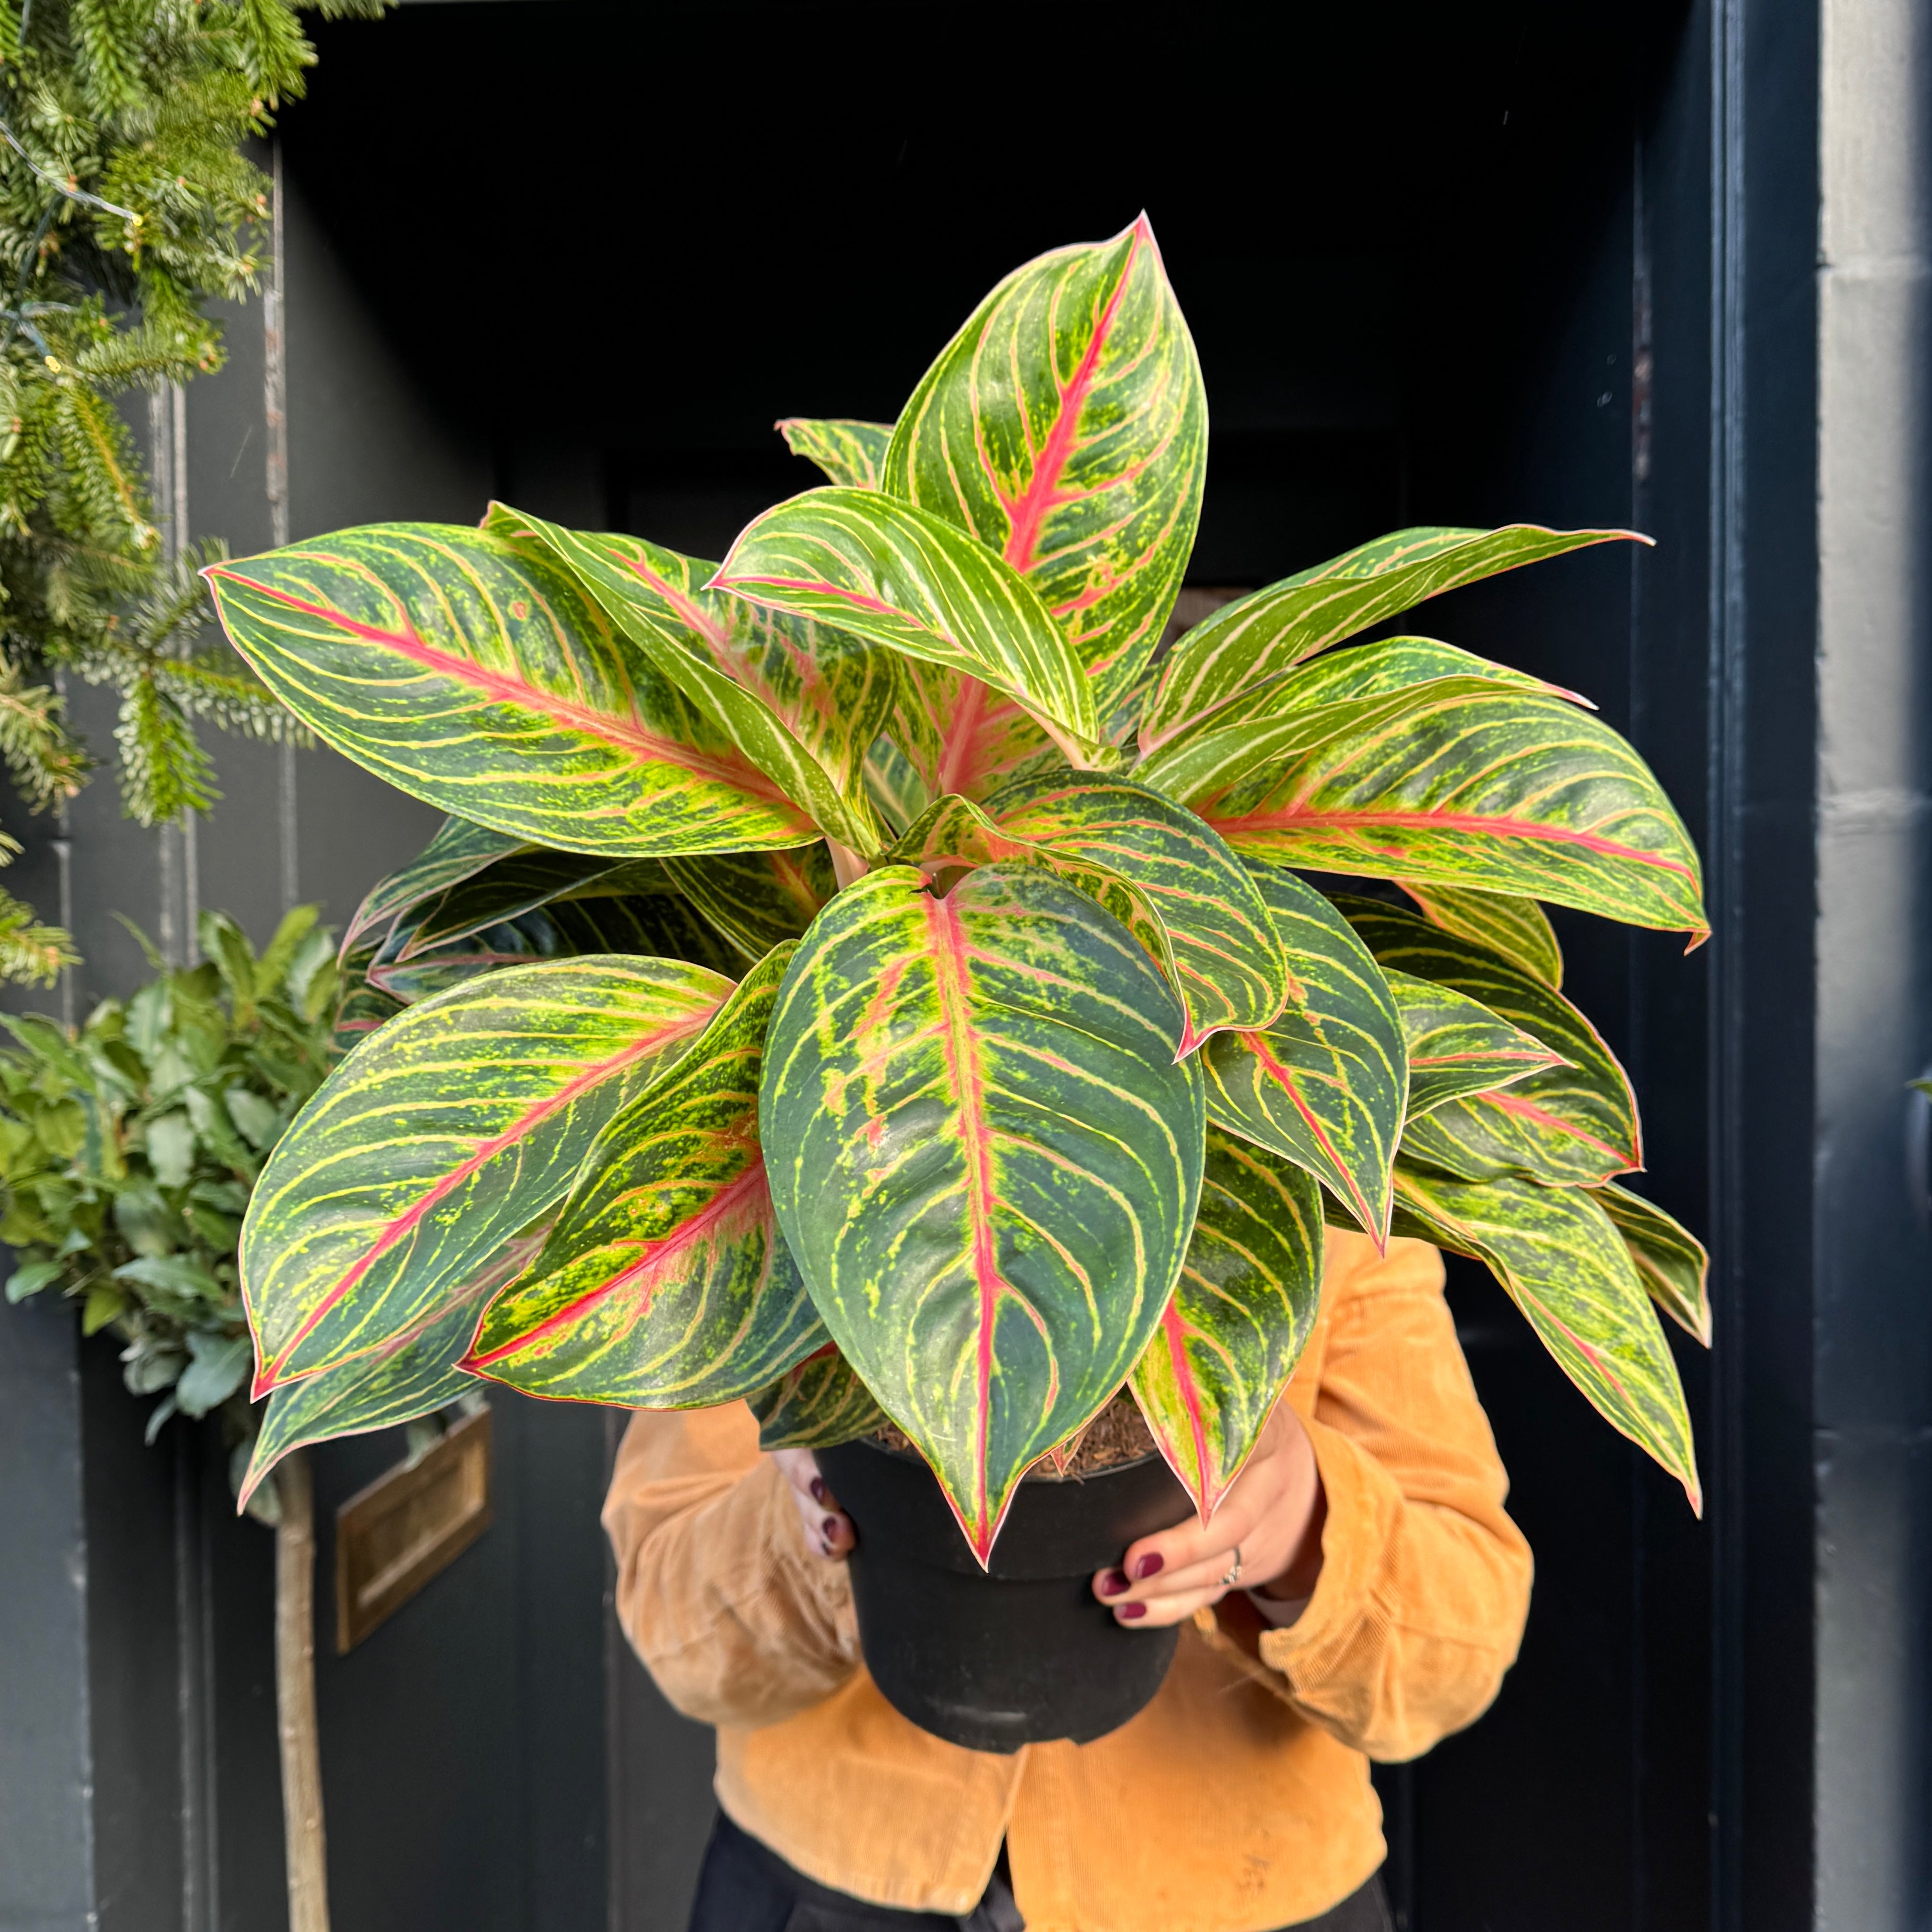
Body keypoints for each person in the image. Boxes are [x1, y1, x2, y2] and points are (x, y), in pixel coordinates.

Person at [603, 1229, 1532, 1932]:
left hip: (1249, 1893)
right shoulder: (794, 1180)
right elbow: (673, 1625)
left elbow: (1457, 1651)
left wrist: (1300, 1523)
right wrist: (822, 1523)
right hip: (822, 1892)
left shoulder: (1314, 1189)